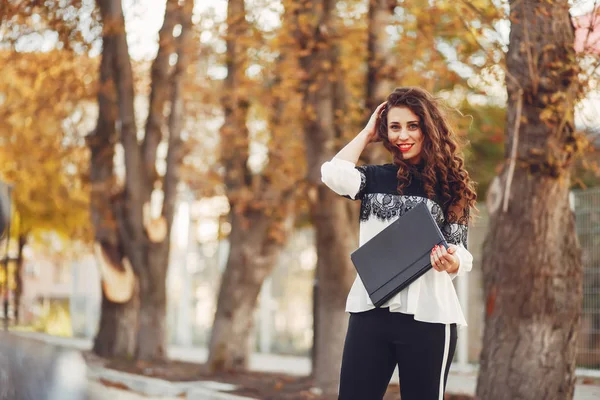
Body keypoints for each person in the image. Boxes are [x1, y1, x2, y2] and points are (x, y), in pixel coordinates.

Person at [320, 87, 477, 400]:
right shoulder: (374, 178)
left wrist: (452, 261)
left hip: (429, 317)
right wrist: (367, 132)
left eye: (412, 125)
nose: (402, 135)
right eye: (394, 127)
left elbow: (460, 250)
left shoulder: (451, 186)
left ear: (427, 128)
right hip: (370, 311)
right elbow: (333, 174)